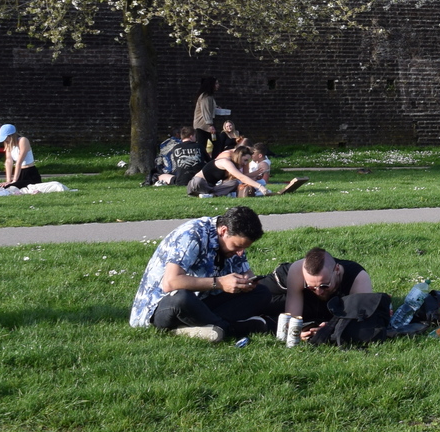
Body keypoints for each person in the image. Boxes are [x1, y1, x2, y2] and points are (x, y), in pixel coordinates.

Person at [129, 206, 271, 341]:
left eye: (244, 248)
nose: (240, 253)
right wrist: (219, 283)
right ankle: (232, 329)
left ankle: (203, 327)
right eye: (237, 246)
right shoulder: (192, 234)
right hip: (164, 305)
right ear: (223, 231)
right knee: (182, 298)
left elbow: (245, 271)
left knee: (261, 292)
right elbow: (170, 283)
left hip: (203, 300)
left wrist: (246, 282)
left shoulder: (233, 239)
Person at [269, 247, 373, 337]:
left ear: (337, 270)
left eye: (324, 286)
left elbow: (360, 321)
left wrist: (330, 328)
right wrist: (297, 333)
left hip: (316, 306)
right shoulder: (297, 270)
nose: (319, 292)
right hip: (282, 283)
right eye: (311, 287)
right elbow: (293, 318)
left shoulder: (358, 278)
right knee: (263, 299)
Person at [188, 138, 264, 198]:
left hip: (211, 186)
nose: (245, 164)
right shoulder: (226, 161)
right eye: (245, 160)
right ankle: (213, 194)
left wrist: (255, 176)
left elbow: (239, 177)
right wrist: (260, 187)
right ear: (239, 155)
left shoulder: (236, 162)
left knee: (234, 183)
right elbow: (241, 177)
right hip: (198, 183)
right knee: (199, 181)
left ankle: (210, 195)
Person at [0, 124, 43, 189]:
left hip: (29, 173)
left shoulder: (23, 140)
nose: (5, 141)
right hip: (19, 173)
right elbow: (8, 161)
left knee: (11, 187)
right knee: (3, 186)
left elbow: (19, 162)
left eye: (5, 138)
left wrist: (14, 181)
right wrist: (8, 181)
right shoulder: (8, 144)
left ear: (11, 136)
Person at [193, 78, 219, 152]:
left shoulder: (209, 96)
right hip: (202, 126)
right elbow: (206, 111)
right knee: (204, 145)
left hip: (206, 126)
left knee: (216, 144)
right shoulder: (205, 97)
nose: (218, 85)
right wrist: (210, 125)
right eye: (216, 83)